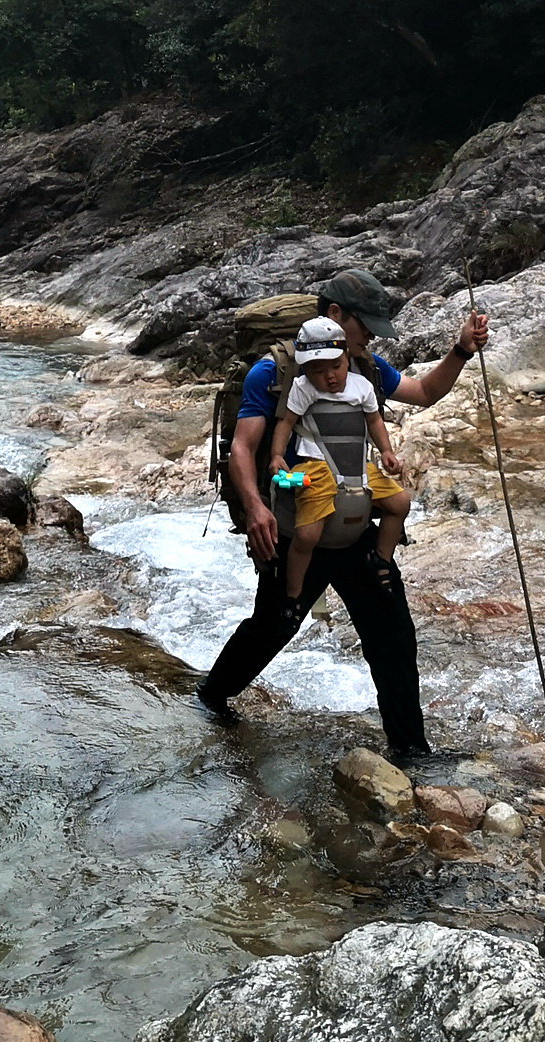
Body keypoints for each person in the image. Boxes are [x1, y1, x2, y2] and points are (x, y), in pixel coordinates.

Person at [197, 266, 489, 756]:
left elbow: (424, 393)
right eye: (366, 325)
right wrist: (255, 511)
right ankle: (209, 700)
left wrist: (461, 349)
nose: (371, 336)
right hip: (296, 529)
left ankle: (412, 750)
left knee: (393, 638)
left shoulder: (364, 370)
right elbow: (243, 449)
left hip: (355, 526)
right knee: (273, 629)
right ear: (335, 315)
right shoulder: (274, 373)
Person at [267, 315, 410, 626]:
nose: (329, 376)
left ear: (347, 357)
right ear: (305, 370)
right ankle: (293, 595)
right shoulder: (303, 389)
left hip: (359, 465)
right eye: (318, 371)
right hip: (315, 467)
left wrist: (386, 452)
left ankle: (381, 559)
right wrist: (277, 456)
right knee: (307, 535)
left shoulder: (362, 386)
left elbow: (374, 422)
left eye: (335, 366)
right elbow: (286, 423)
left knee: (400, 504)